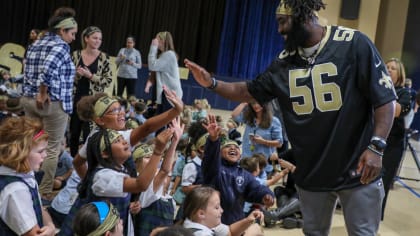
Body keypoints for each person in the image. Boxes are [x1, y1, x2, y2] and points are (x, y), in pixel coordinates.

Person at [184, 0, 396, 234]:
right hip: (312, 173)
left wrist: (377, 147)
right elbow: (248, 90)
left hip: (358, 169)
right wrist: (212, 83)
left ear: (303, 16)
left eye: (283, 21)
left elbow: (384, 99)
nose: (279, 30)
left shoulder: (354, 43)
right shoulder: (283, 63)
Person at [22, 6, 78, 204]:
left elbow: (27, 67)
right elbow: (48, 70)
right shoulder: (61, 46)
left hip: (28, 100)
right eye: (72, 34)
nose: (73, 38)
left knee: (31, 143)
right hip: (50, 102)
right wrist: (43, 92)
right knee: (52, 148)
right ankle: (43, 192)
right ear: (62, 31)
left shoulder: (36, 42)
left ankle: (25, 182)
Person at [202, 114, 274, 224]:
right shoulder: (214, 169)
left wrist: (266, 195)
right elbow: (210, 157)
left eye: (236, 147)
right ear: (219, 153)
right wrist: (213, 140)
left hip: (236, 222)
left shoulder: (245, 174)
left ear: (240, 155)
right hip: (213, 223)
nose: (233, 148)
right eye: (227, 146)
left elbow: (256, 189)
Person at [0, 117, 55, 235]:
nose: (45, 155)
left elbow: (39, 208)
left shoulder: (25, 173)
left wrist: (50, 225)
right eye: (40, 151)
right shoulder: (16, 190)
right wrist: (50, 231)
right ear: (19, 153)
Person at [134, 117, 183, 236]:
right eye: (147, 157)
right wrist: (174, 142)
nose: (153, 160)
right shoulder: (141, 183)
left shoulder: (165, 196)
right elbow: (164, 171)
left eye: (153, 156)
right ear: (136, 161)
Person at [69, 26, 113, 157]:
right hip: (76, 98)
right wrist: (77, 75)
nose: (98, 41)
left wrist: (91, 76)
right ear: (86, 39)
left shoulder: (104, 57)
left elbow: (108, 80)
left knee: (90, 133)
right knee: (74, 132)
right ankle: (73, 160)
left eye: (100, 39)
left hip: (94, 101)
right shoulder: (75, 55)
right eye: (95, 38)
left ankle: (89, 160)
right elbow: (67, 77)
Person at [381, 58, 411, 220]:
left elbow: (398, 111)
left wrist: (382, 92)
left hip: (392, 146)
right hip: (374, 142)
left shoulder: (403, 93)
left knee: (382, 184)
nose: (389, 70)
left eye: (393, 68)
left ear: (399, 74)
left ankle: (374, 221)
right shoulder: (377, 88)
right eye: (387, 67)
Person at [182, 186, 264, 236]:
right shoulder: (199, 234)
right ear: (201, 214)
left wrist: (247, 221)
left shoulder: (202, 222)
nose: (222, 210)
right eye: (217, 207)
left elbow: (230, 232)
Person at [231, 101, 283, 176]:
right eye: (253, 103)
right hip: (247, 161)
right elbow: (234, 115)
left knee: (259, 186)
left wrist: (263, 141)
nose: (256, 105)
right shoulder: (249, 118)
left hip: (263, 163)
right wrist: (244, 103)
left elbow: (279, 143)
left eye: (258, 103)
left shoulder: (274, 121)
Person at [147, 31, 183, 115]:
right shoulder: (166, 54)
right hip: (167, 91)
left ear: (163, 41)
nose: (155, 40)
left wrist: (153, 47)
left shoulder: (169, 54)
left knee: (165, 120)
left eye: (157, 38)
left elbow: (152, 65)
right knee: (161, 119)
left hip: (170, 92)